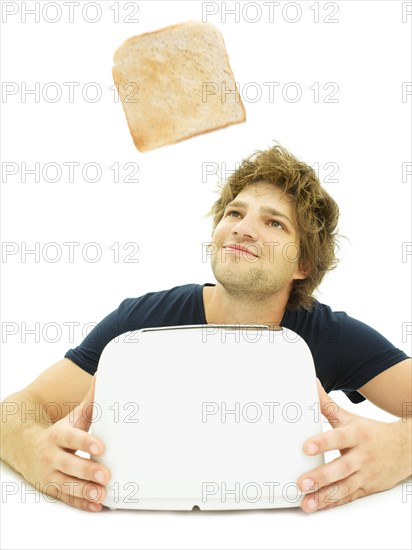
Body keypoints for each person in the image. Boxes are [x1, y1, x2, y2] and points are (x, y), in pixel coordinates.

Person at [1, 144, 411, 514]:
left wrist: (401, 448)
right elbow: (14, 411)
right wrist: (32, 450)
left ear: (303, 265)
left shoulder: (329, 335)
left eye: (275, 223)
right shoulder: (139, 324)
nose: (242, 227)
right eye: (235, 212)